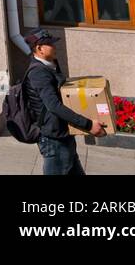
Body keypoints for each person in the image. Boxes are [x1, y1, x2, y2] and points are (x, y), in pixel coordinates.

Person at [24, 30, 106, 175]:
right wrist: (87, 124)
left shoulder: (51, 65)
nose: (54, 47)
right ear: (39, 49)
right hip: (53, 140)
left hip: (63, 135)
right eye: (50, 44)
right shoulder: (38, 72)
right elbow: (53, 106)